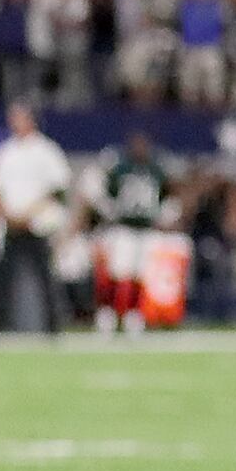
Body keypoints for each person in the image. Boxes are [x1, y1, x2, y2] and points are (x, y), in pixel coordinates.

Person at [0, 104, 76, 334]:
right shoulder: (5, 152)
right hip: (10, 223)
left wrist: (29, 214)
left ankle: (54, 326)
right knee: (4, 278)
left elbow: (57, 189)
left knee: (46, 275)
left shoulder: (46, 150)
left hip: (38, 223)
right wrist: (7, 215)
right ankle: (2, 325)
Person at [90, 135, 174, 335]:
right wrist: (111, 213)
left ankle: (133, 315)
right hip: (124, 228)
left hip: (146, 229)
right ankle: (108, 313)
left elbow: (166, 196)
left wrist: (164, 216)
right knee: (118, 273)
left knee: (139, 275)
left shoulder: (156, 170)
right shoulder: (121, 169)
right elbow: (106, 194)